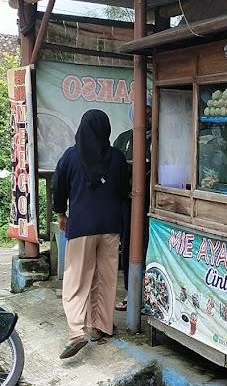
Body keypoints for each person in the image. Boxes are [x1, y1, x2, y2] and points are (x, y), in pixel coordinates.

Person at [52, 110, 130, 360]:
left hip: (81, 226)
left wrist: (61, 213)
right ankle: (100, 326)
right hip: (110, 226)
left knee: (76, 279)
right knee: (106, 277)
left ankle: (77, 331)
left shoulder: (71, 156)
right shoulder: (117, 158)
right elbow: (123, 190)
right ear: (106, 130)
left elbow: (58, 186)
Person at [113, 97, 152, 311]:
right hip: (128, 205)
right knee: (130, 246)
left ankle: (150, 295)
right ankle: (132, 292)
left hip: (154, 205)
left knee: (150, 248)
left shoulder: (160, 137)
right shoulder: (123, 139)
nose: (145, 118)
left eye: (149, 113)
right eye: (140, 113)